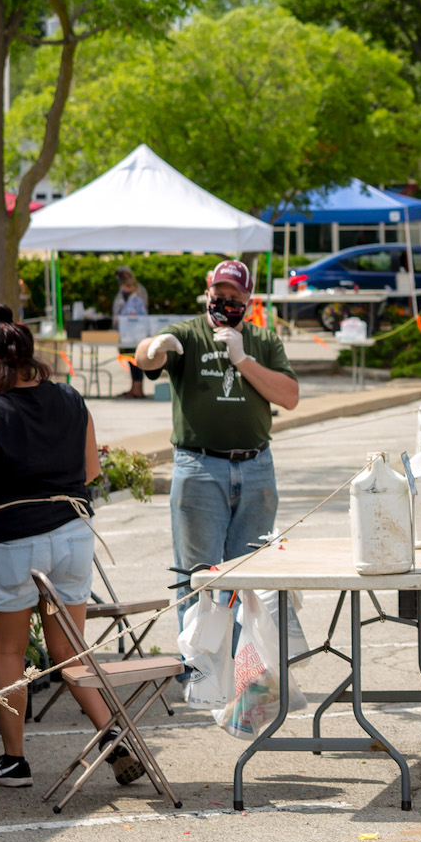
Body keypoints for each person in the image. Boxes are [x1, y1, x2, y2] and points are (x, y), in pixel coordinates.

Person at [0, 309, 143, 790]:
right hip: (71, 534)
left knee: (8, 649)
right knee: (70, 650)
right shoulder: (71, 399)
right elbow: (90, 472)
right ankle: (113, 734)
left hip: (12, 539)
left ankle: (14, 761)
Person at [134, 260, 301, 627]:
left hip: (256, 467)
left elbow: (289, 397)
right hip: (199, 466)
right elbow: (147, 356)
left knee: (250, 578)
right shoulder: (189, 333)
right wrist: (154, 347)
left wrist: (242, 359)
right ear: (207, 290)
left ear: (248, 298)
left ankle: (245, 675)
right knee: (197, 578)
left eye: (234, 296)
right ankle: (200, 675)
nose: (225, 301)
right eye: (219, 294)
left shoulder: (264, 340)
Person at [111, 267, 151, 399]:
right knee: (131, 361)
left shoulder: (138, 293)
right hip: (125, 334)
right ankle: (134, 388)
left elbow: (140, 313)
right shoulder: (122, 292)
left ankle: (137, 390)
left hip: (135, 334)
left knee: (136, 361)